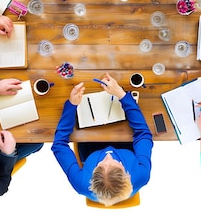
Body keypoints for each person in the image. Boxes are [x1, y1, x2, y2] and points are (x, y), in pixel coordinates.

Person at [51, 73, 153, 206]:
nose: (108, 155)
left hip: (90, 148)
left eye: (101, 165)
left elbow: (59, 145)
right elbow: (143, 134)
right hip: (126, 145)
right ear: (127, 173)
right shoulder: (141, 176)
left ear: (92, 174)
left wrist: (71, 105)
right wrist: (122, 95)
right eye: (115, 162)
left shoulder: (81, 184)